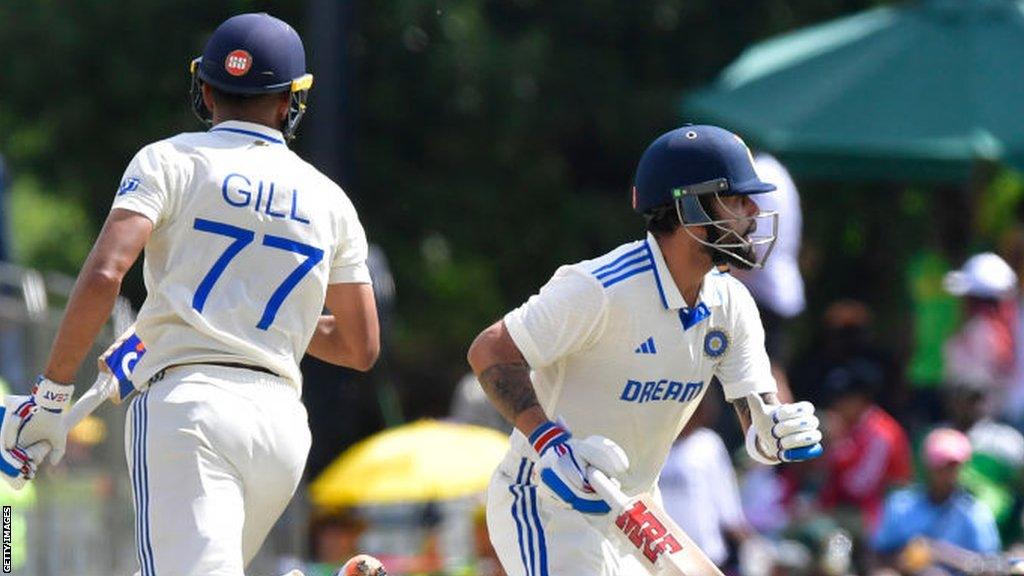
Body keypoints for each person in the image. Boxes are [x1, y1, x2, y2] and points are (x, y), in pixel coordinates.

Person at [1, 13, 379, 576]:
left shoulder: (168, 159)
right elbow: (359, 345)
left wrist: (52, 395)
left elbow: (107, 274)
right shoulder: (330, 199)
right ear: (289, 102)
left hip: (188, 409)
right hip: (280, 427)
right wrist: (254, 323)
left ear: (205, 89)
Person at [466, 125, 824, 575]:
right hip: (548, 502)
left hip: (637, 508)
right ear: (690, 206)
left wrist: (772, 436)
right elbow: (490, 350)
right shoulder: (600, 289)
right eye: (736, 198)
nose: (754, 211)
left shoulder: (732, 304)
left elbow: (756, 414)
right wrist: (551, 443)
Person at [872, 428, 1001, 573]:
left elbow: (990, 565)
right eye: (941, 467)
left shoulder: (974, 512)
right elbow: (878, 553)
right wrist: (906, 558)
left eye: (953, 467)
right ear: (928, 467)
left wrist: (939, 553)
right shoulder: (900, 504)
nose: (948, 474)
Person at [659, 395, 754, 568]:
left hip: (705, 554)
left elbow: (726, 500)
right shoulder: (656, 445)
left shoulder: (707, 443)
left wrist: (749, 544)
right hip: (664, 554)